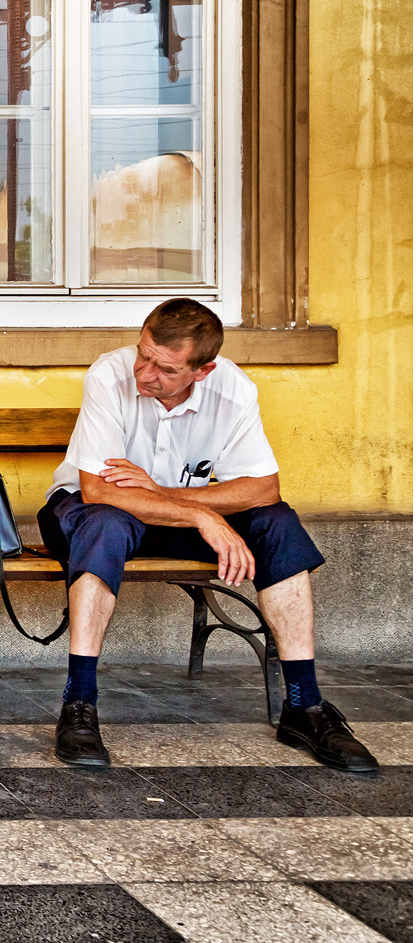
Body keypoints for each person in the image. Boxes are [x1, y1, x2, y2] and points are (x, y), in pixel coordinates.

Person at [36, 298, 378, 772]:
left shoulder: (233, 390)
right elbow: (98, 490)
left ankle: (304, 705)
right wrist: (201, 516)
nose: (145, 373)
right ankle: (79, 704)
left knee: (278, 523)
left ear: (203, 370)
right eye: (143, 354)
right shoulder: (108, 376)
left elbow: (263, 488)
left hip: (168, 511)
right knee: (105, 526)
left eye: (165, 368)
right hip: (91, 509)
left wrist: (171, 497)